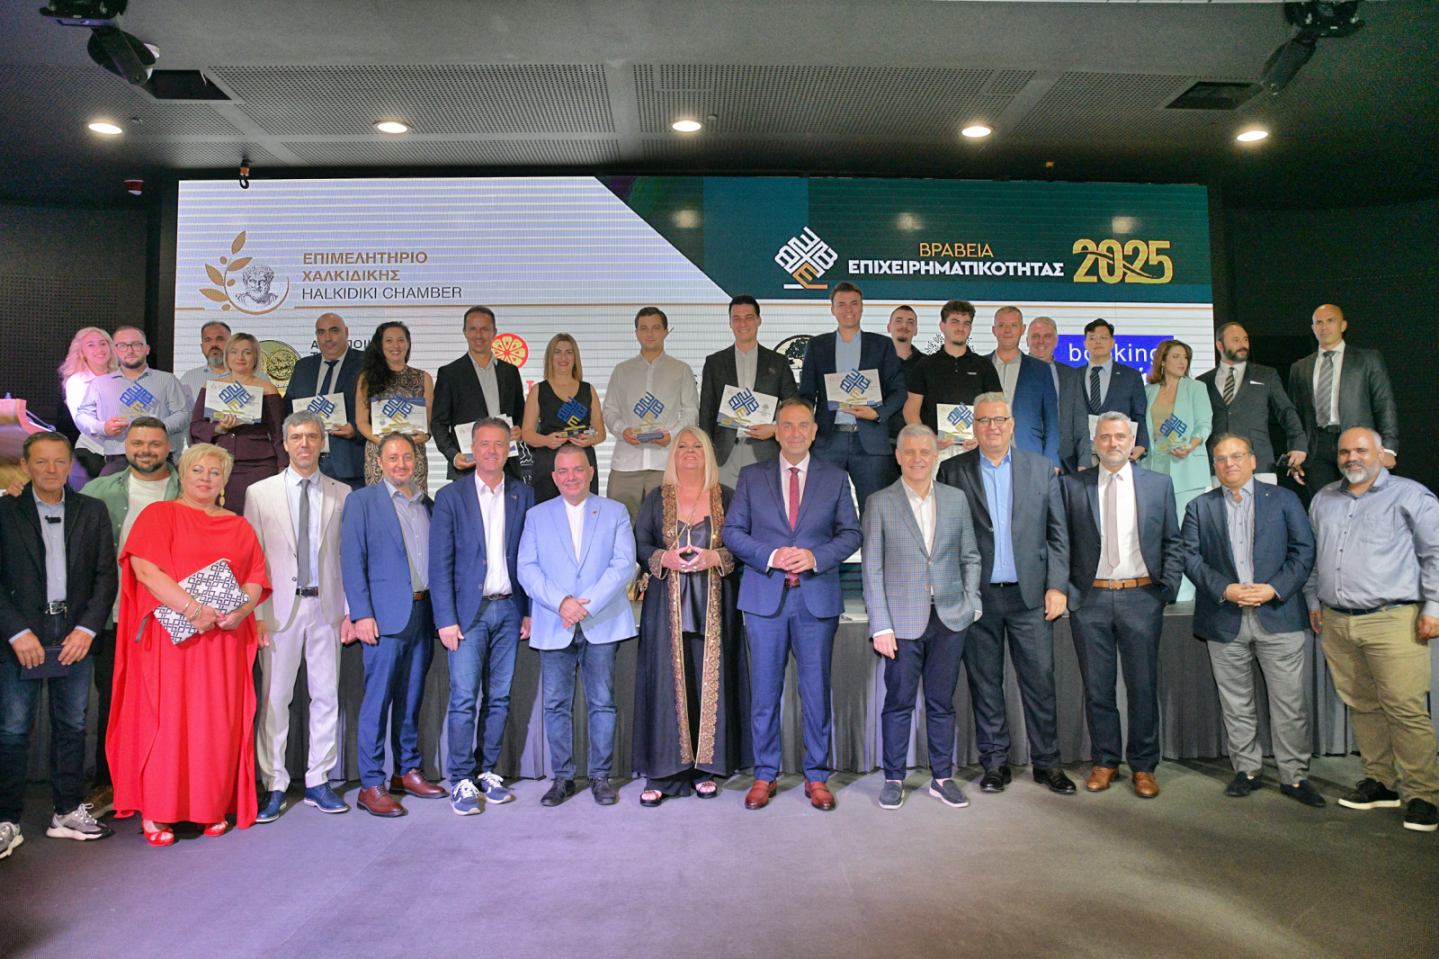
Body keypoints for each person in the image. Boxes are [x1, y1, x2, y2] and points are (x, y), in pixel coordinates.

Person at [108, 443, 271, 844]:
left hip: (222, 643)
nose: (206, 478)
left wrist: (242, 611)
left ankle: (208, 806)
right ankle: (158, 811)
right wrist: (192, 609)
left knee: (215, 724)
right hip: (171, 641)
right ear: (182, 473)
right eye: (198, 470)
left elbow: (255, 577)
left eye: (215, 472)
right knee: (167, 722)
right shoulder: (158, 515)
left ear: (225, 481)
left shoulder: (239, 526)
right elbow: (146, 571)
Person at [725, 398, 862, 811]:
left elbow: (851, 534)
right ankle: (764, 774)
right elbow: (733, 532)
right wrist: (771, 555)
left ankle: (816, 776)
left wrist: (815, 557)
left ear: (815, 431)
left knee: (815, 692)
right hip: (765, 598)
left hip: (815, 599)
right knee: (765, 693)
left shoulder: (835, 478)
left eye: (803, 425)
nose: (795, 432)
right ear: (776, 431)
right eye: (787, 425)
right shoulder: (751, 477)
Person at [938, 393, 1075, 796]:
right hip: (979, 599)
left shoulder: (1041, 468)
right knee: (985, 685)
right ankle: (995, 763)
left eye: (1000, 419)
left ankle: (1048, 764)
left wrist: (1057, 585)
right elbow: (946, 537)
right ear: (974, 426)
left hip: (1030, 597)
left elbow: (1058, 534)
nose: (992, 427)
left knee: (1040, 683)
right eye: (984, 420)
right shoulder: (952, 470)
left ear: (1012, 424)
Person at [1306, 427, 1439, 833]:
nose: (1352, 458)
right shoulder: (1324, 499)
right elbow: (1314, 556)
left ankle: (1423, 795)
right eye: (1345, 451)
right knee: (1362, 705)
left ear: (1381, 453)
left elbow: (1435, 553)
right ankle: (1381, 782)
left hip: (1393, 619)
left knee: (1405, 708)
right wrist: (1313, 600)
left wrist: (1434, 606)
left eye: (1361, 450)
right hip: (1337, 620)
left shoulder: (1411, 495)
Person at [1180, 434, 1321, 806]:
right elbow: (1190, 558)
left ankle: (1294, 776)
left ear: (1253, 460)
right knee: (1236, 702)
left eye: (1237, 456)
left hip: (1279, 615)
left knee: (1289, 703)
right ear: (1214, 465)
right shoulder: (1199, 507)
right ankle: (1247, 770)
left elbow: (1304, 550)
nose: (1229, 464)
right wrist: (1225, 589)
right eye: (1221, 458)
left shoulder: (1285, 500)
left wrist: (1274, 589)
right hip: (1224, 618)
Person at [0, 433, 118, 858]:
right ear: (25, 465)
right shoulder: (5, 510)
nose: (51, 470)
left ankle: (66, 812)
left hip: (74, 635)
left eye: (59, 462)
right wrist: (17, 632)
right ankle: (6, 820)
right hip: (20, 637)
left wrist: (87, 629)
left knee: (72, 726)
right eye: (41, 462)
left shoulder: (92, 510)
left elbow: (105, 576)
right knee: (13, 730)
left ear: (71, 465)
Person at [1058, 412, 1181, 798]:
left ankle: (1144, 766)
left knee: (1143, 686)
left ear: (1132, 442)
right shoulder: (1072, 486)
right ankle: (1105, 761)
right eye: (1105, 437)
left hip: (1141, 598)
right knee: (1098, 688)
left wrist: (1166, 590)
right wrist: (1067, 592)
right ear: (1095, 442)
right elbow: (1060, 543)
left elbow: (1173, 541)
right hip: (1090, 600)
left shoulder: (1158, 485)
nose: (1113, 443)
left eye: (1120, 437)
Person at [862, 424, 981, 810]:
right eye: (909, 452)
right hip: (900, 623)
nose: (917, 459)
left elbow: (970, 556)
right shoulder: (880, 502)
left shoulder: (955, 499)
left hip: (949, 617)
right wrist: (880, 624)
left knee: (942, 702)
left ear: (936, 455)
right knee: (898, 702)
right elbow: (872, 568)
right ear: (898, 456)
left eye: (925, 452)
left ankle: (942, 778)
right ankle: (893, 777)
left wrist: (972, 602)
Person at [243, 411, 353, 821]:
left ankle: (318, 781)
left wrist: (349, 611)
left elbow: (346, 557)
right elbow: (252, 559)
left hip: (326, 608)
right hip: (277, 611)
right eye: (296, 437)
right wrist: (255, 614)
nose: (304, 444)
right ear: (285, 443)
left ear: (322, 442)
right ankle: (274, 784)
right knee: (275, 699)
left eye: (311, 436)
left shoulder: (343, 493)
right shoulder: (259, 493)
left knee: (326, 697)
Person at [632, 427, 749, 806]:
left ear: (709, 452)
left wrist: (717, 556)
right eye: (682, 445)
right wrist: (663, 558)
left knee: (706, 682)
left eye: (697, 445)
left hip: (714, 605)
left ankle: (704, 770)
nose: (689, 451)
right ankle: (663, 772)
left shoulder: (727, 497)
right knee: (667, 685)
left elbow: (742, 542)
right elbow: (640, 543)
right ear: (673, 454)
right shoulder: (656, 498)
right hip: (665, 607)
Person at [516, 444, 637, 807]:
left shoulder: (615, 511)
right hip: (555, 621)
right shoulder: (536, 516)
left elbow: (623, 564)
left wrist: (587, 605)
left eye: (578, 469)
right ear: (554, 477)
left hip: (602, 620)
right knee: (555, 704)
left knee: (603, 702)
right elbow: (527, 569)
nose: (571, 477)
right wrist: (562, 603)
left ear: (591, 472)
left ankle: (600, 777)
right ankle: (563, 778)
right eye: (564, 471)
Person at [430, 419, 534, 814]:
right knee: (463, 699)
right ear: (472, 449)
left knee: (500, 697)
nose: (491, 451)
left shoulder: (523, 494)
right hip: (466, 615)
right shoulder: (450, 497)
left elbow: (528, 556)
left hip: (509, 609)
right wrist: (445, 618)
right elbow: (440, 563)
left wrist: (528, 611)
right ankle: (460, 778)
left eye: (499, 444)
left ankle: (487, 771)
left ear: (509, 449)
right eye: (484, 444)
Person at [340, 432, 445, 818]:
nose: (401, 464)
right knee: (377, 701)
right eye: (393, 457)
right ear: (379, 462)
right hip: (382, 619)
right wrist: (361, 613)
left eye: (407, 457)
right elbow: (352, 559)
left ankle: (407, 771)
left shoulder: (427, 504)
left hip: (422, 613)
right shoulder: (362, 501)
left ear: (416, 461)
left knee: (411, 697)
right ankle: (371, 783)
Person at [78, 417, 179, 813]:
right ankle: (108, 783)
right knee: (112, 702)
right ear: (125, 445)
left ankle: (164, 785)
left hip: (169, 617)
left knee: (168, 704)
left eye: (154, 444)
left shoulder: (186, 489)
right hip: (112, 616)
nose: (146, 451)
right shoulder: (97, 490)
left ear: (168, 447)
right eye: (138, 443)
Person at [797, 282, 907, 512]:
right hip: (828, 441)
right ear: (832, 309)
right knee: (821, 510)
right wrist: (806, 426)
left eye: (854, 303)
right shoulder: (817, 346)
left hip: (870, 441)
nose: (849, 309)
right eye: (842, 304)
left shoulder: (882, 345)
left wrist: (877, 413)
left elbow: (899, 391)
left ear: (862, 307)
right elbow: (806, 394)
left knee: (875, 512)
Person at [602, 307, 699, 524]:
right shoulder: (622, 370)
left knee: (665, 527)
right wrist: (622, 431)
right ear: (636, 332)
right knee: (622, 527)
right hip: (626, 464)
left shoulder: (681, 369)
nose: (650, 333)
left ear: (666, 331)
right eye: (644, 328)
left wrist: (671, 434)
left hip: (665, 463)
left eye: (656, 328)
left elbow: (691, 412)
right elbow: (610, 410)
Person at [1287, 304, 1398, 492]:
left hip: (1357, 444)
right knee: (1324, 503)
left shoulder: (1367, 360)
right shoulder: (1299, 368)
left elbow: (1384, 403)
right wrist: (1296, 448)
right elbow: (1294, 415)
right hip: (1317, 447)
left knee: (1362, 500)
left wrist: (1388, 448)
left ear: (1343, 325)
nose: (1324, 327)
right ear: (1313, 328)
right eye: (1319, 322)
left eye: (1330, 321)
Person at [697, 295, 799, 488]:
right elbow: (706, 413)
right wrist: (705, 454)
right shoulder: (714, 362)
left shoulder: (778, 362)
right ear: (730, 323)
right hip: (724, 454)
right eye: (736, 318)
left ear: (759, 320)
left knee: (765, 506)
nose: (742, 324)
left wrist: (776, 428)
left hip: (764, 451)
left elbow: (793, 407)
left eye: (749, 317)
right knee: (725, 506)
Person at [1142, 339, 1211, 603]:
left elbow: (1205, 424)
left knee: (1184, 531)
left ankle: (1185, 590)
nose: (1182, 362)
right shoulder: (1148, 391)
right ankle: (1162, 584)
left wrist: (1190, 445)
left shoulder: (1196, 388)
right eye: (1176, 357)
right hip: (1154, 466)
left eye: (1185, 357)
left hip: (1187, 466)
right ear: (1162, 360)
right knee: (1158, 530)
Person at [189, 332, 287, 514]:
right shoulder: (211, 387)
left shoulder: (268, 389)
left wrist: (284, 467)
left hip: (259, 466)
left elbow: (278, 433)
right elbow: (196, 426)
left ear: (255, 357)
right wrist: (219, 428)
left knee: (258, 518)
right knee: (220, 518)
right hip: (219, 464)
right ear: (226, 356)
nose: (240, 357)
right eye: (234, 352)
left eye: (247, 352)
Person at [1197, 322, 1307, 477]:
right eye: (1235, 340)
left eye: (1245, 339)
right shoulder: (1202, 382)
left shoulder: (1266, 375)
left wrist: (1298, 445)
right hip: (1217, 465)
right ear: (1219, 345)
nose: (1242, 345)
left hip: (1258, 462)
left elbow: (1285, 411)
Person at [75, 326, 190, 473]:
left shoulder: (167, 380)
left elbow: (183, 413)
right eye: (122, 346)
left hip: (158, 456)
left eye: (136, 344)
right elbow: (82, 415)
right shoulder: (100, 384)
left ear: (147, 349)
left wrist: (158, 428)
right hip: (117, 456)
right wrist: (103, 427)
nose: (130, 350)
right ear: (115, 351)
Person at [431, 306, 526, 482]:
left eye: (484, 329)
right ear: (465, 332)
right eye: (473, 329)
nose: (479, 335)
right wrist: (453, 455)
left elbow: (521, 413)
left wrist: (519, 429)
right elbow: (438, 423)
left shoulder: (510, 371)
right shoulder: (449, 374)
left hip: (507, 466)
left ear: (494, 332)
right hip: (468, 467)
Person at [902, 300, 1003, 461]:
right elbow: (910, 410)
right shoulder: (925, 365)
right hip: (934, 451)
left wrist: (982, 437)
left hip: (975, 449)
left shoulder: (984, 365)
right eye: (955, 322)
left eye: (966, 323)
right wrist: (926, 438)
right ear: (942, 326)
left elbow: (998, 408)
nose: (961, 328)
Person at [522, 333, 606, 503]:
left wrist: (589, 440)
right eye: (557, 352)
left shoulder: (588, 389)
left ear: (575, 357)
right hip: (549, 464)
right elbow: (527, 434)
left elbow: (601, 432)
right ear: (550, 357)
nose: (563, 357)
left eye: (569, 352)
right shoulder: (538, 390)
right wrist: (546, 440)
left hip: (582, 462)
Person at [286, 312, 365, 490]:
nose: (328, 338)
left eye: (334, 331)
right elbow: (288, 409)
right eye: (321, 332)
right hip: (307, 464)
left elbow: (378, 407)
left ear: (346, 332)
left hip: (350, 465)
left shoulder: (366, 364)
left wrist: (356, 429)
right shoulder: (303, 367)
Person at [356, 321, 435, 495]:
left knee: (414, 505)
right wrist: (385, 443)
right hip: (380, 454)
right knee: (379, 505)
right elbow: (361, 422)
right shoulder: (367, 378)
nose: (395, 346)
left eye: (400, 340)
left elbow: (428, 422)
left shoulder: (424, 378)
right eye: (389, 341)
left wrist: (425, 435)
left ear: (408, 344)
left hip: (412, 453)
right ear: (380, 345)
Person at [988, 306, 1059, 469]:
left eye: (1013, 325)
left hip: (1029, 455)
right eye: (1002, 325)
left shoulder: (1041, 369)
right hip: (986, 453)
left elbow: (1052, 420)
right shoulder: (980, 365)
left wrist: (1052, 462)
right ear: (993, 330)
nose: (1007, 331)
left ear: (1022, 329)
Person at [1027, 316, 1091, 472]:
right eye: (1035, 336)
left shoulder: (1070, 375)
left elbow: (1080, 421)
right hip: (1023, 461)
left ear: (1056, 341)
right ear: (1027, 341)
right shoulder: (1015, 372)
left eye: (1047, 336)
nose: (1041, 341)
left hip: (1064, 463)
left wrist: (1084, 462)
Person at [1079, 319, 1149, 460]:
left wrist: (1141, 444)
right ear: (1085, 344)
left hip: (1119, 451)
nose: (1098, 342)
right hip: (1083, 454)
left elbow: (1139, 414)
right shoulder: (1073, 376)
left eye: (1103, 338)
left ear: (1112, 342)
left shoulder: (1131, 376)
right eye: (1092, 338)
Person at [58, 326, 117, 481]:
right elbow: (83, 421)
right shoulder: (77, 382)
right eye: (91, 345)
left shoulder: (122, 377)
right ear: (82, 352)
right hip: (92, 454)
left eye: (103, 343)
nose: (99, 349)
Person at [886, 305, 924, 457]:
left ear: (916, 330)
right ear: (889, 327)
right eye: (899, 321)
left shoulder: (927, 364)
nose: (904, 326)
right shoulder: (875, 362)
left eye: (910, 322)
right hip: (880, 443)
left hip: (916, 443)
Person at [180, 320, 232, 406]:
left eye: (220, 339)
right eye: (208, 340)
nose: (214, 344)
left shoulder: (251, 377)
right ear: (202, 347)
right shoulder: (188, 379)